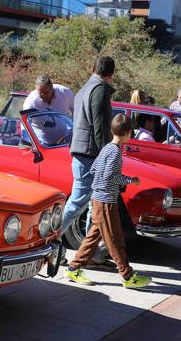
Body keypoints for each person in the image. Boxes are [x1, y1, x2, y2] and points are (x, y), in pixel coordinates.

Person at [65, 114, 151, 288]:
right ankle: (128, 276)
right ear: (128, 133)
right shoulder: (116, 152)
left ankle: (73, 269)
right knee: (115, 240)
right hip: (105, 201)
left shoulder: (106, 148)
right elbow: (109, 176)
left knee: (93, 237)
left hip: (99, 198)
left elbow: (95, 168)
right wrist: (129, 181)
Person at [62, 56, 116, 266]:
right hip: (90, 155)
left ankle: (90, 252)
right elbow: (99, 127)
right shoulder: (100, 89)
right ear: (111, 74)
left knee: (91, 206)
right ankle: (47, 241)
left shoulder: (84, 88)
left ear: (93, 68)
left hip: (82, 153)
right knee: (78, 204)